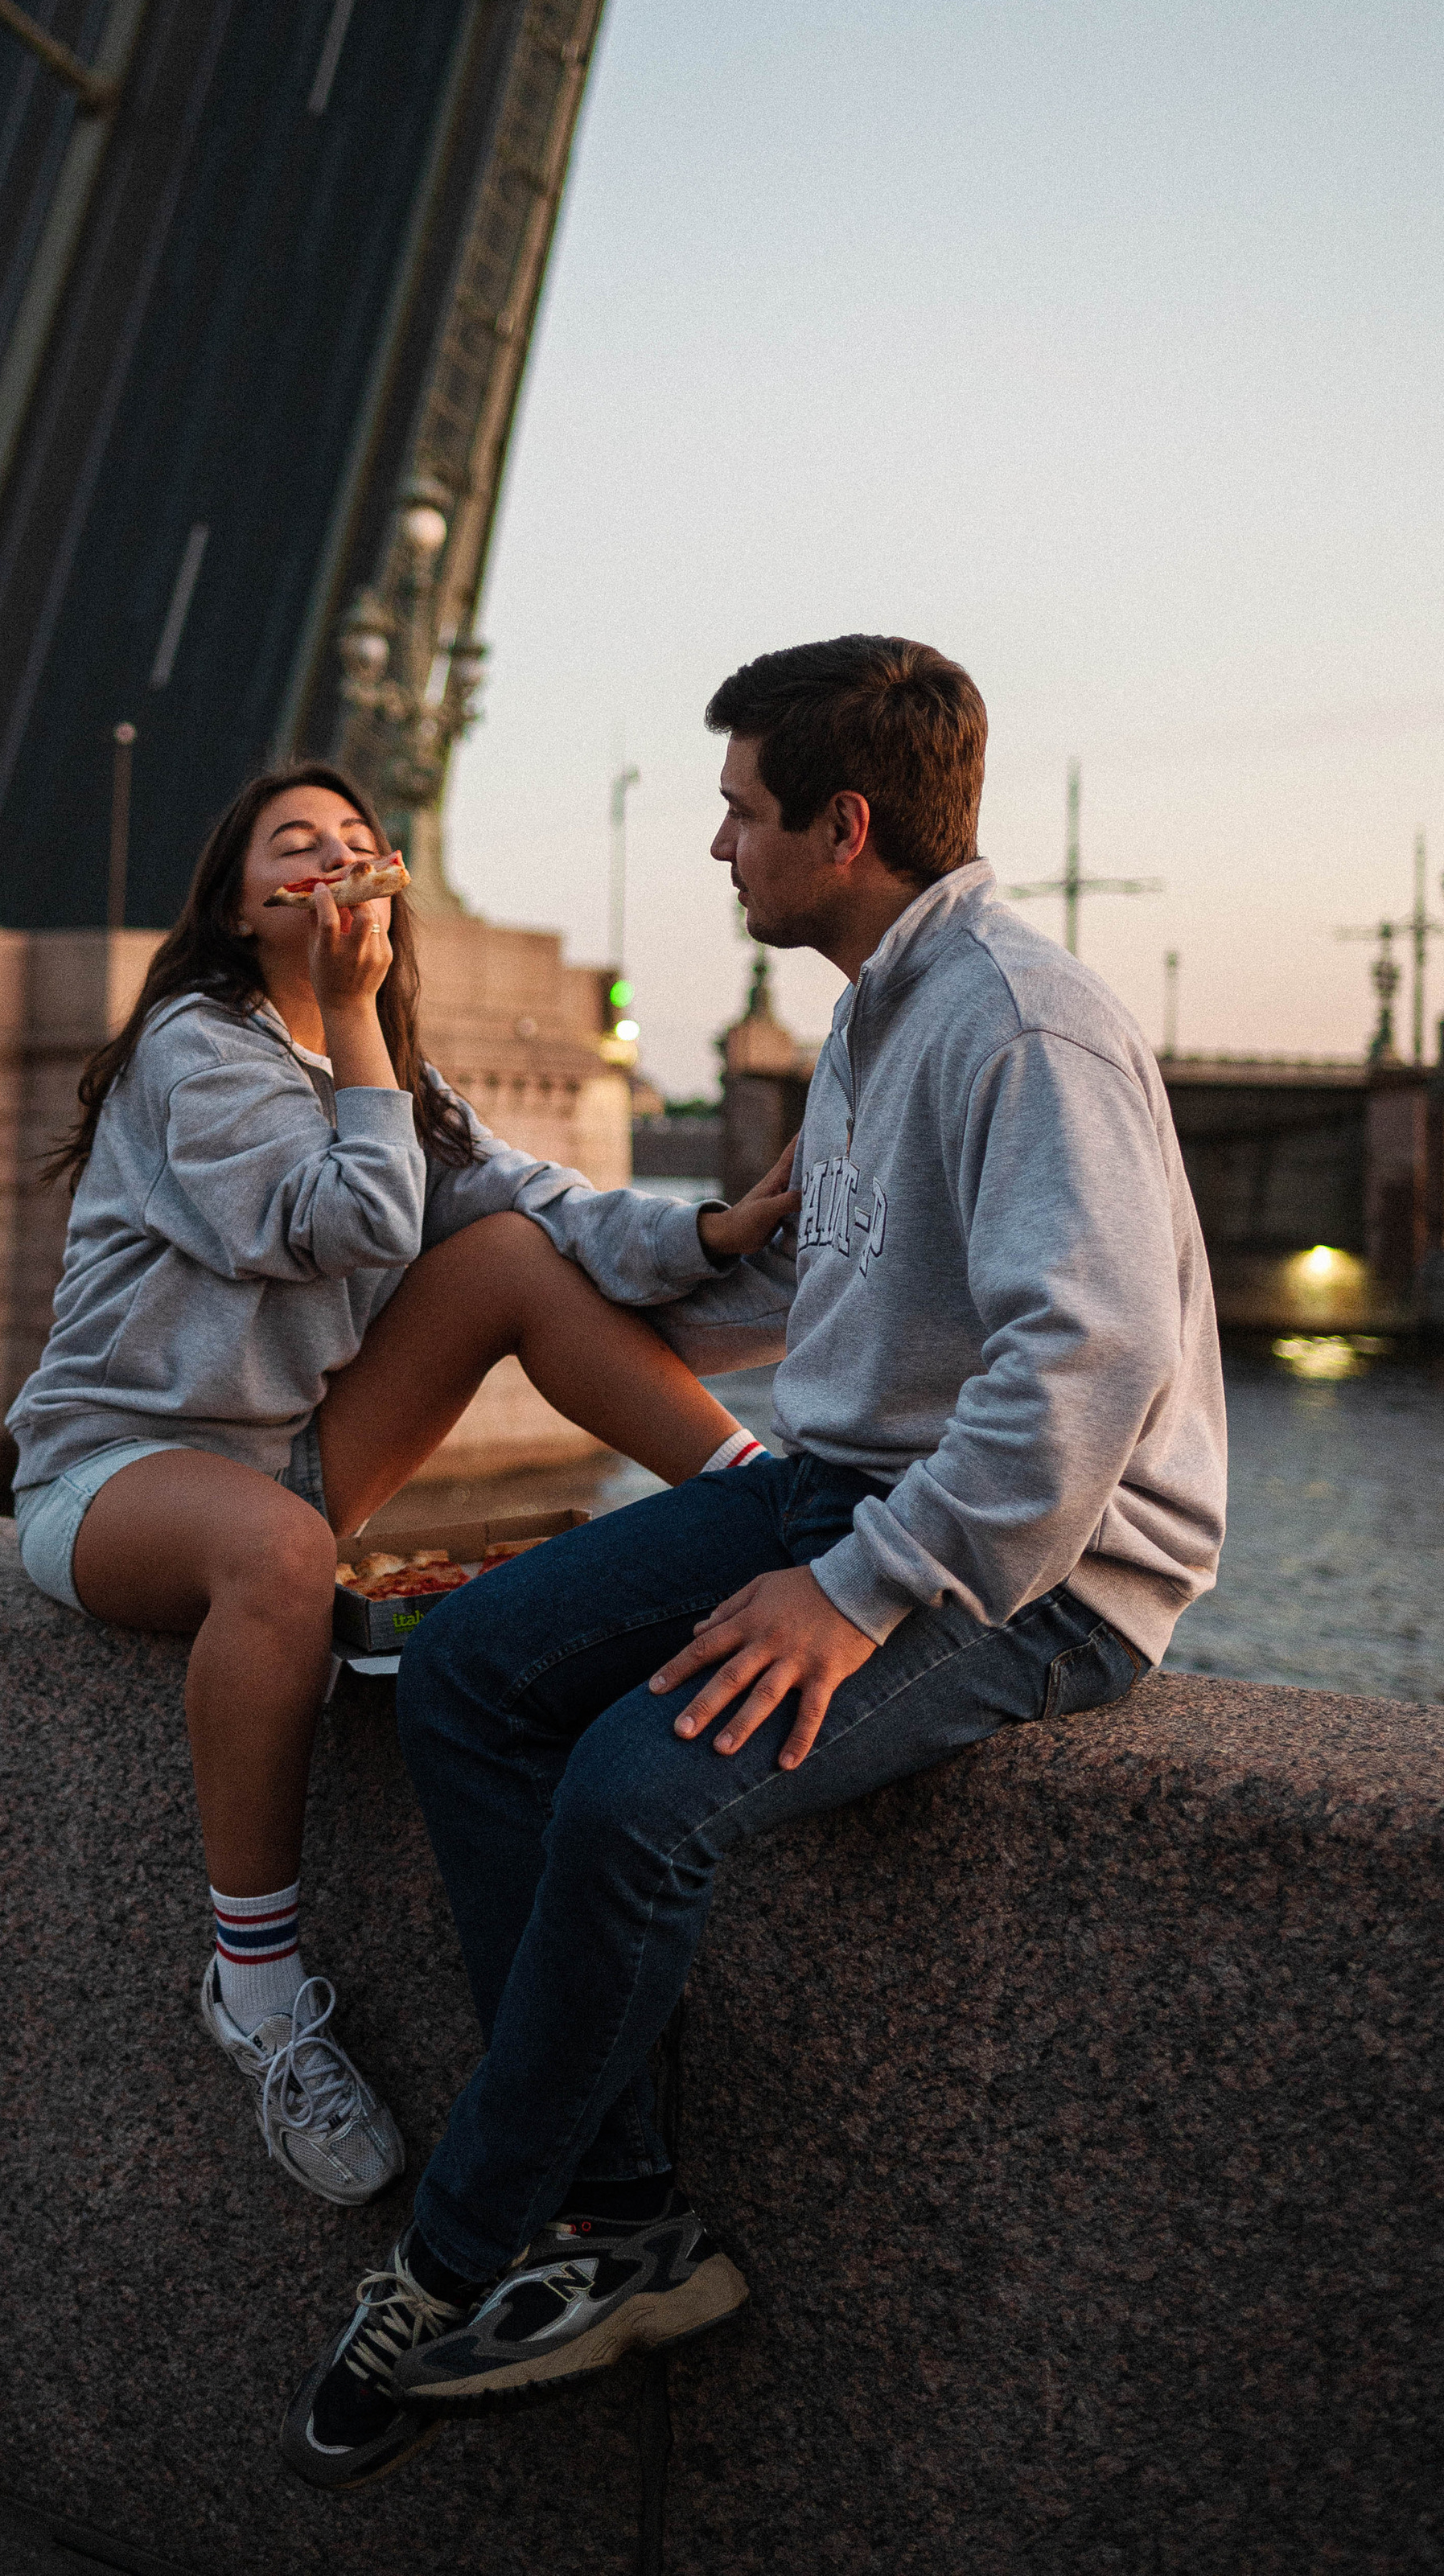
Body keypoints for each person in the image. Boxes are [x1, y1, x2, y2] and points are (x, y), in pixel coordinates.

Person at [283, 634, 1226, 2489]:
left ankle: (462, 2252)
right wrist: (392, 1055)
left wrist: (859, 1586)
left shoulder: (1018, 1022)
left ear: (841, 825)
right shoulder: (877, 1010)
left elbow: (1089, 1355)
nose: (719, 847)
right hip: (845, 1484)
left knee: (637, 1794)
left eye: (738, 811)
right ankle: (625, 2215)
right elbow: (775, 1279)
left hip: (1043, 1571)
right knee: (462, 1678)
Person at [6, 759, 797, 2212]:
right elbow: (343, 1220)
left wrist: (714, 1226)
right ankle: (256, 1987)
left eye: (353, 844)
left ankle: (775, 1498)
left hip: (289, 1468)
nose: (327, 858)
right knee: (280, 1558)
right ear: (242, 908)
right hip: (113, 1472)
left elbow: (541, 1212)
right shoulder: (196, 1045)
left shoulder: (390, 1080)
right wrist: (361, 1013)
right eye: (292, 844)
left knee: (504, 1261)